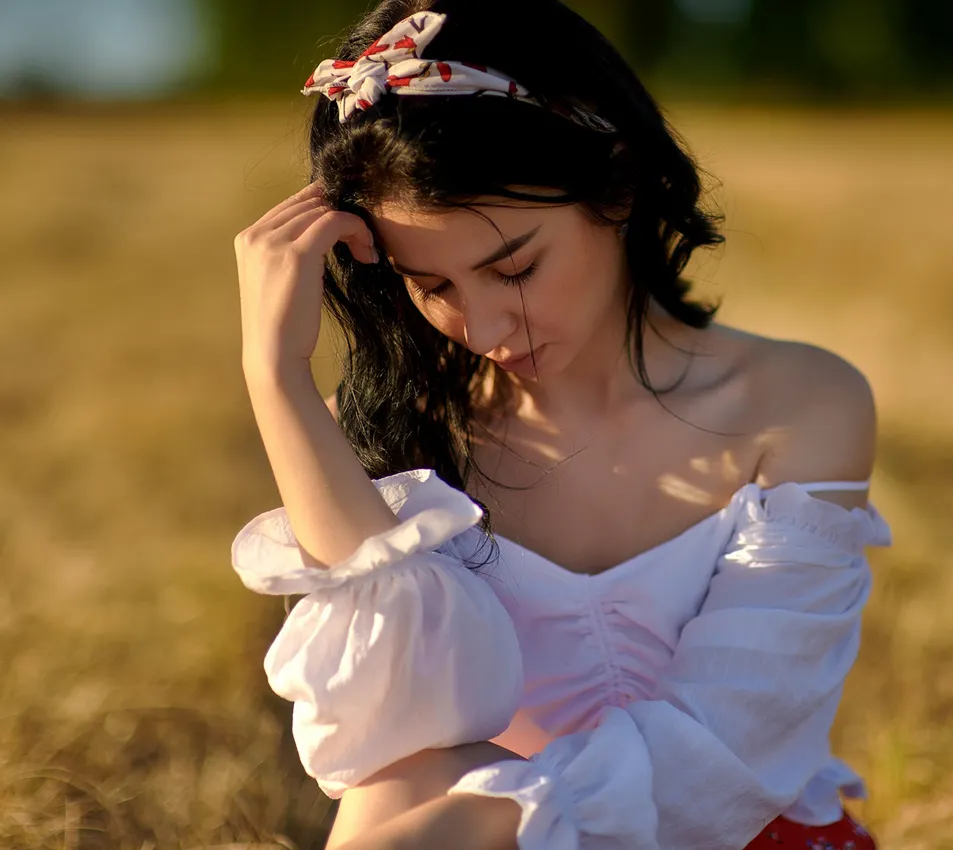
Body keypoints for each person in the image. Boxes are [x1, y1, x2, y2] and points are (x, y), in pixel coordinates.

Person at [229, 2, 892, 847]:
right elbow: (389, 737)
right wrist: (275, 377)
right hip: (464, 833)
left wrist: (476, 828)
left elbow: (725, 755)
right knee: (399, 780)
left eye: (515, 268)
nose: (487, 328)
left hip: (726, 835)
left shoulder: (802, 403)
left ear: (616, 183)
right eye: (433, 287)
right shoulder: (384, 432)